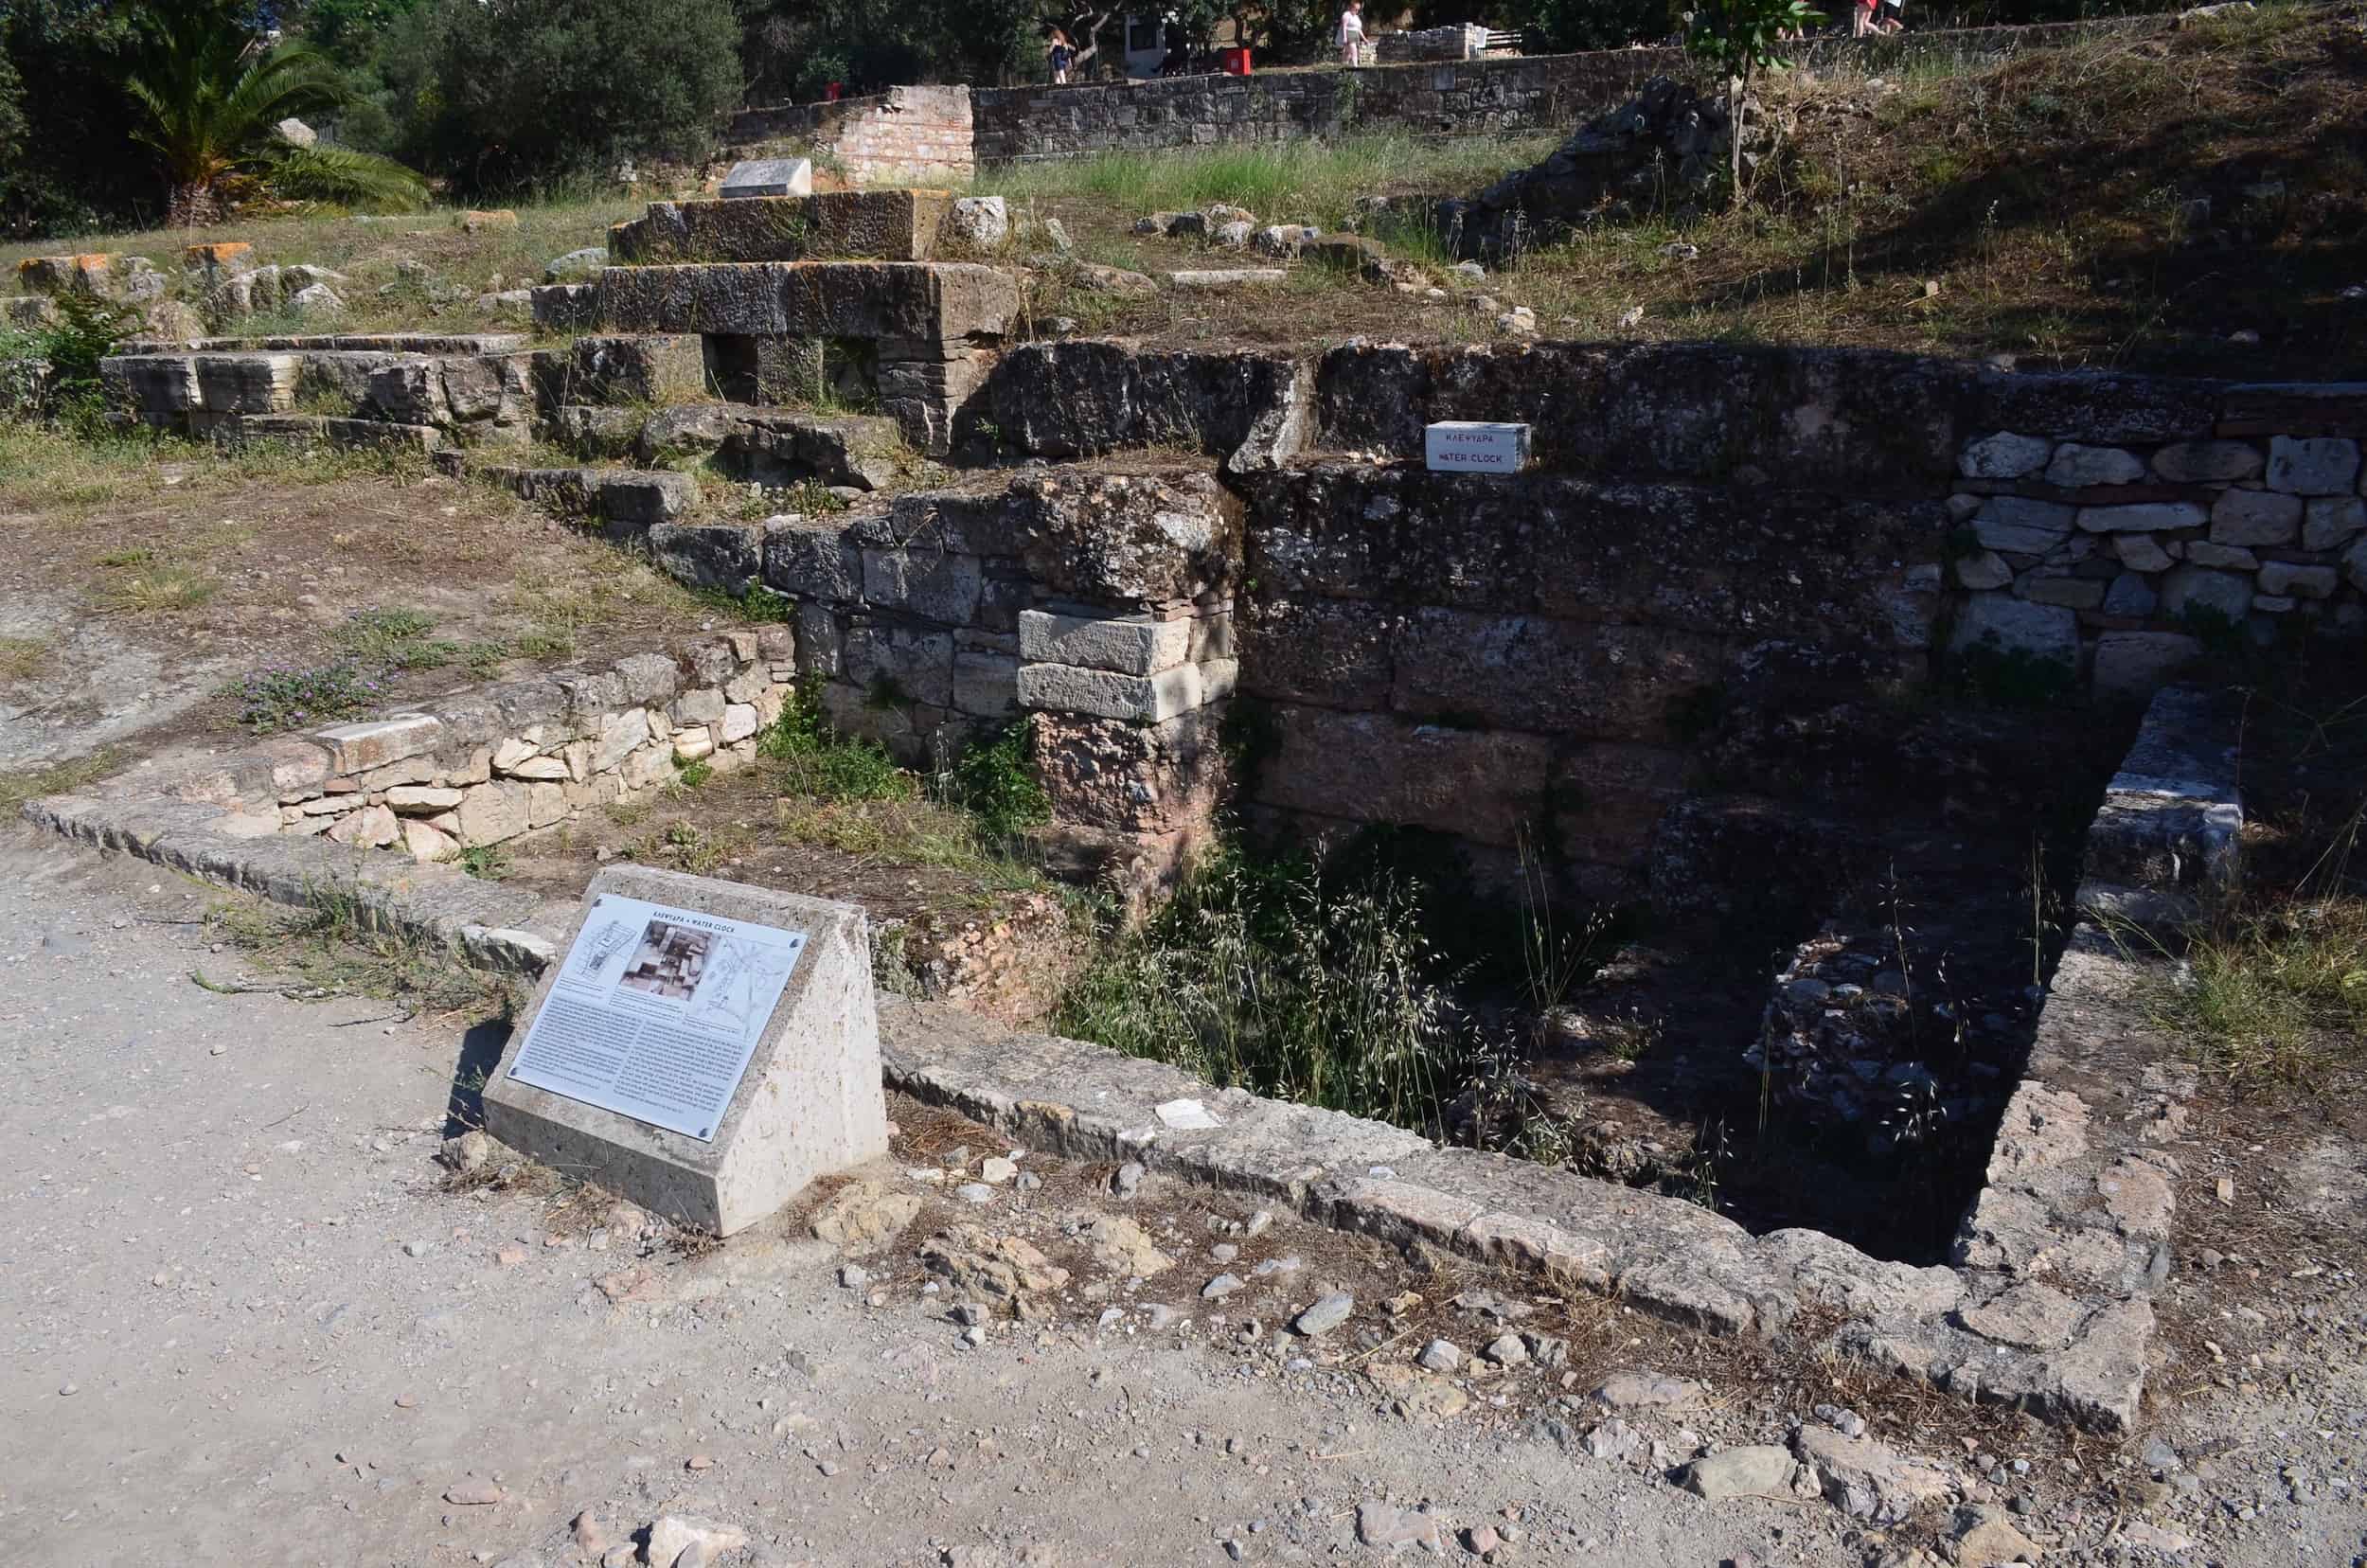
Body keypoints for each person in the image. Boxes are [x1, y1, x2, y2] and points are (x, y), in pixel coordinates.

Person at [1338, 0, 1365, 66]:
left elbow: (1359, 29)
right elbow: (1344, 26)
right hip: (1349, 34)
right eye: (1356, 9)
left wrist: (1364, 39)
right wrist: (1345, 37)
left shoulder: (1356, 17)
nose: (1357, 11)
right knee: (1354, 51)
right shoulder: (1347, 15)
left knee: (1348, 53)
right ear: (1351, 7)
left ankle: (1344, 65)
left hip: (1356, 35)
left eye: (1358, 10)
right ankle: (1355, 66)